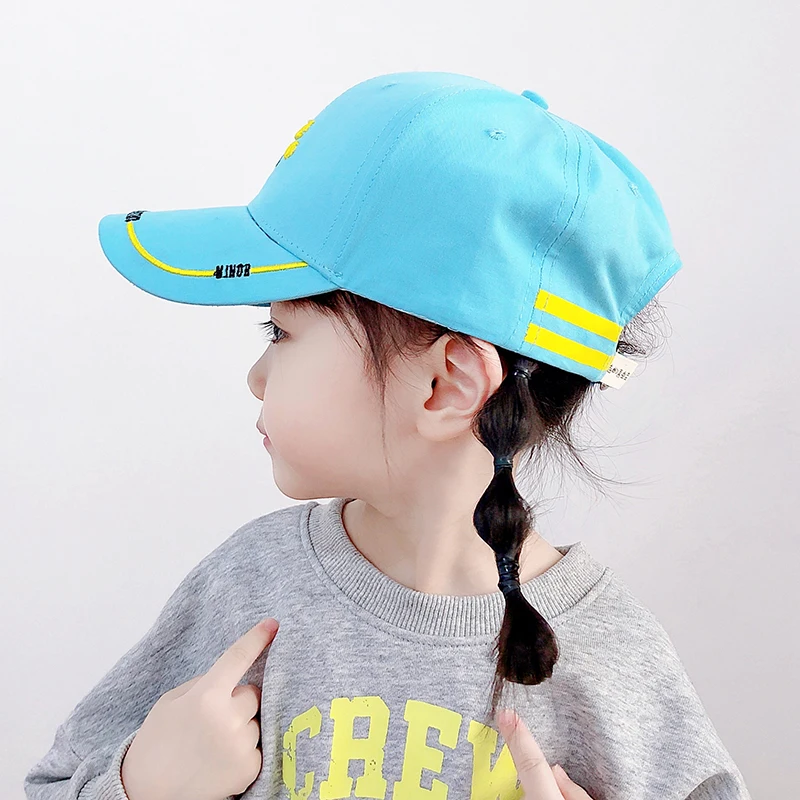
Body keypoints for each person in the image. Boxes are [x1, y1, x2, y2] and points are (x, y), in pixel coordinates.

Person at [24, 71, 752, 800]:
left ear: (446, 384)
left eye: (280, 332)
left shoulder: (616, 667)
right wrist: (142, 785)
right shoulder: (248, 584)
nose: (255, 376)